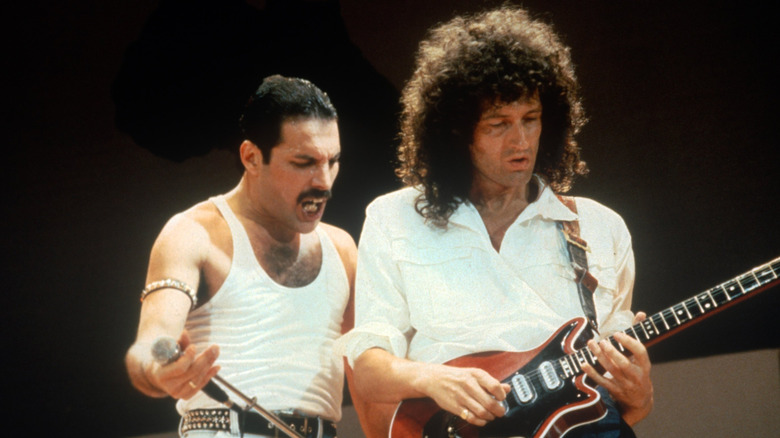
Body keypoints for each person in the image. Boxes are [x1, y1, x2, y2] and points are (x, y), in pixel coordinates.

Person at [341, 6, 653, 438]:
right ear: (456, 132)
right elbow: (368, 370)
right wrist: (433, 378)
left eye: (530, 119)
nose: (520, 141)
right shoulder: (394, 217)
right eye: (498, 124)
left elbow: (616, 393)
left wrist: (639, 395)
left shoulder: (602, 227)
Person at [125, 75, 358, 438]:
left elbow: (368, 373)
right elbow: (149, 344)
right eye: (304, 162)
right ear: (251, 157)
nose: (324, 181)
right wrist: (158, 369)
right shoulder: (193, 234)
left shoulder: (341, 249)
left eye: (333, 161)